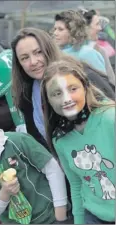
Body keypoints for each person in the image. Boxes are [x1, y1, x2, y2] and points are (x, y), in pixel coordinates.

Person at [0, 95, 71, 224]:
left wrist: (60, 210)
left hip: (49, 216)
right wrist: (4, 193)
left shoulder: (17, 141)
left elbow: (53, 169)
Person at [11, 27, 114, 146]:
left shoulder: (84, 77)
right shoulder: (26, 95)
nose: (33, 61)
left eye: (38, 52)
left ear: (49, 49)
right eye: (24, 58)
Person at [41, 59, 115, 224]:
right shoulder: (60, 139)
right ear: (48, 100)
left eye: (72, 89)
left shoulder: (111, 118)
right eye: (56, 93)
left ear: (85, 87)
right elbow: (76, 185)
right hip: (94, 216)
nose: (66, 99)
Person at [79, 8, 115, 86]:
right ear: (86, 28)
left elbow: (111, 81)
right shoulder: (68, 52)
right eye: (97, 24)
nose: (100, 28)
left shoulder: (100, 51)